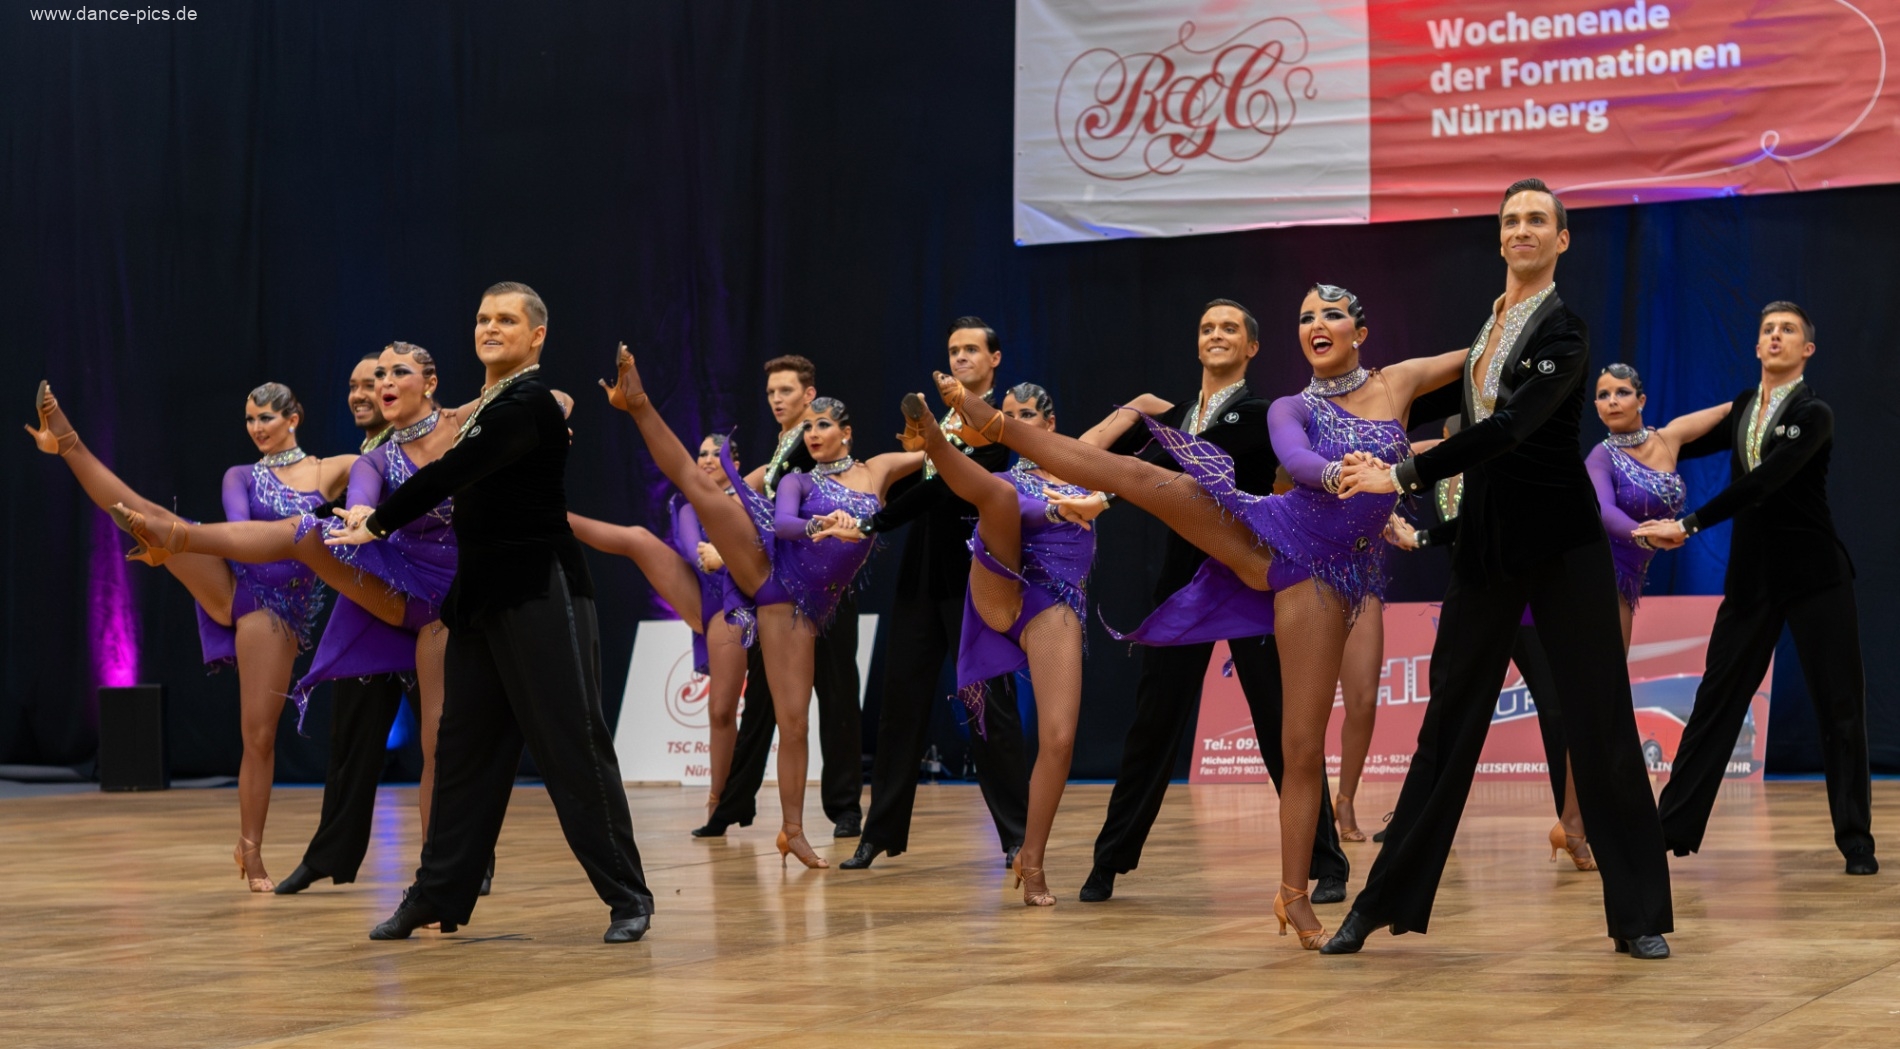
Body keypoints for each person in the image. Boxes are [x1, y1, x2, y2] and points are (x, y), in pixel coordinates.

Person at [933, 287, 1464, 949]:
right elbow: (1296, 461)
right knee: (1136, 476)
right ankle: (997, 427)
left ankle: (1292, 892)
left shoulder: (1400, 382)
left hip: (1324, 580)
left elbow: (1487, 354)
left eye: (1331, 314)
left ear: (1360, 329)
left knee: (1302, 747)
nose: (1317, 324)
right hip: (1269, 536)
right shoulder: (1292, 406)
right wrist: (1337, 473)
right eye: (1305, 316)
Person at [1319, 178, 1674, 959]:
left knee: (1600, 720)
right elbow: (1457, 422)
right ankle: (1378, 904)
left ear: (1561, 239)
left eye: (1537, 219)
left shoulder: (1566, 332)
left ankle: (1638, 913)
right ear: (1500, 234)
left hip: (1563, 546)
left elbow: (1511, 428)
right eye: (1512, 219)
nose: (1522, 229)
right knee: (1447, 722)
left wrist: (1400, 476)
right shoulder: (1487, 329)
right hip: (1487, 546)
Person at [328, 282, 656, 943]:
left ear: (536, 336)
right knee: (462, 750)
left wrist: (380, 521)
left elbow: (452, 471)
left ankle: (629, 896)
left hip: (540, 587)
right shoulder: (484, 409)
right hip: (478, 598)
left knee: (571, 741)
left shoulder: (528, 402)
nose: (490, 327)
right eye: (483, 317)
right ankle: (438, 893)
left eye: (506, 319)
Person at [1069, 300, 1350, 907]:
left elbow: (1184, 464)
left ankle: (1326, 864)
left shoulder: (1263, 413)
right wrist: (1130, 413)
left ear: (1252, 347)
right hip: (1183, 588)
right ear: (1197, 344)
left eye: (1229, 328)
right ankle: (1108, 861)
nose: (1216, 335)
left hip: (1250, 583)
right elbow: (1104, 458)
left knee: (1282, 725)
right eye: (1206, 328)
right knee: (1152, 726)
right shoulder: (1172, 417)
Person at [605, 346, 922, 870]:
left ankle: (792, 831)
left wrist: (930, 425)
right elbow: (784, 523)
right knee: (695, 486)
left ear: (847, 432)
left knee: (794, 724)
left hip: (816, 605)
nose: (812, 433)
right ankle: (639, 405)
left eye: (823, 424)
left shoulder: (878, 470)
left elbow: (938, 457)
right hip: (775, 584)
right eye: (808, 426)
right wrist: (823, 524)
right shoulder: (798, 479)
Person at [29, 380, 349, 891]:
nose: (256, 428)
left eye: (266, 417)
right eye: (250, 419)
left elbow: (380, 474)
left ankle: (247, 845)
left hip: (278, 608)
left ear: (294, 419)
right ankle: (67, 442)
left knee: (259, 736)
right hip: (234, 582)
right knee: (151, 514)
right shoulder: (239, 475)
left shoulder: (330, 470)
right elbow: (238, 537)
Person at [1635, 302, 1876, 876]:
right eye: (1768, 329)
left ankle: (1856, 841)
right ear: (1756, 346)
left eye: (1787, 330)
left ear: (1806, 350)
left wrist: (1688, 524)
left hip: (1816, 576)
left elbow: (1765, 482)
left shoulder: (1814, 414)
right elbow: (1681, 440)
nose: (1775, 336)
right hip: (1752, 578)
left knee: (1840, 707)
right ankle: (1671, 828)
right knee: (1716, 699)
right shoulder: (1745, 406)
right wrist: (1637, 436)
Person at [841, 319, 1030, 872]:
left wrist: (874, 523)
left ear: (995, 358)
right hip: (921, 568)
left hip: (975, 569)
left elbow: (947, 487)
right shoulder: (942, 420)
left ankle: (1017, 836)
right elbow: (916, 481)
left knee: (989, 706)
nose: (961, 357)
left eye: (971, 349)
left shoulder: (997, 420)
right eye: (953, 350)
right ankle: (879, 833)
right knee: (900, 703)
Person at [910, 381, 1105, 904]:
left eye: (1025, 416)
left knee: (1058, 739)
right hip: (1003, 587)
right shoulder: (1005, 478)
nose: (1013, 425)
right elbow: (1023, 509)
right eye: (1007, 416)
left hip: (1054, 606)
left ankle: (1030, 859)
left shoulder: (1081, 467)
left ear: (1050, 423)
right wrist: (1062, 510)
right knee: (996, 496)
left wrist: (1104, 492)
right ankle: (934, 438)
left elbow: (1125, 427)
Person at [700, 355, 864, 840]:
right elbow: (751, 496)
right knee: (762, 697)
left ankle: (844, 807)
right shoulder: (783, 449)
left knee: (836, 693)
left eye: (786, 391)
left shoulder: (815, 445)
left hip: (827, 584)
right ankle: (735, 801)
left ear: (809, 395)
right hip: (781, 588)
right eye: (771, 391)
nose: (776, 399)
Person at [569, 434, 752, 823]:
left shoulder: (749, 498)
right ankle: (555, 518)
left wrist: (729, 549)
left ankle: (726, 797)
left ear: (734, 463)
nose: (706, 459)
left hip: (745, 597)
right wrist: (714, 554)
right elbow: (690, 549)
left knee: (723, 709)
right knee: (637, 537)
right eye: (700, 454)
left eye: (716, 454)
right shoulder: (687, 502)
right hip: (709, 595)